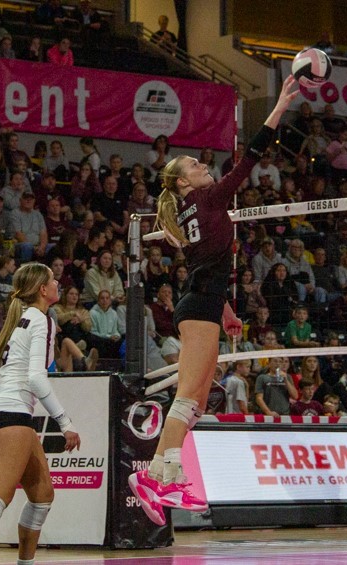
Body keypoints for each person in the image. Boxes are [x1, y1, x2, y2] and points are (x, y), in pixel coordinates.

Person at [128, 75, 299, 525]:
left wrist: (225, 311)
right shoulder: (206, 198)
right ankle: (152, 476)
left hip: (203, 305)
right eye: (196, 166)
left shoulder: (187, 210)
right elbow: (252, 157)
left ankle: (165, 479)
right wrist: (279, 104)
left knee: (196, 402)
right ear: (185, 182)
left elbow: (203, 261)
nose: (205, 167)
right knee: (187, 398)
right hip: (198, 306)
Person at [0, 263, 80, 565]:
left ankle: (26, 563)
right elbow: (37, 379)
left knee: (43, 495)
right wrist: (66, 424)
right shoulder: (40, 318)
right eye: (53, 280)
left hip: (0, 411)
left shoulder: (19, 318)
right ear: (42, 289)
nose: (57, 284)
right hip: (13, 414)